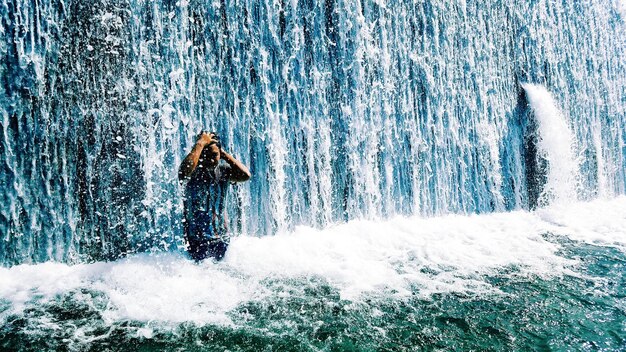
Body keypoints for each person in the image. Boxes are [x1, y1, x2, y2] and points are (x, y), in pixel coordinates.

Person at [178, 131, 251, 261]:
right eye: (205, 154)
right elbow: (184, 171)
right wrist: (200, 143)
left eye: (214, 155)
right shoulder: (193, 173)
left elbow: (246, 175)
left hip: (221, 238)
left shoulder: (224, 171)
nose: (210, 159)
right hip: (196, 239)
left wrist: (223, 154)